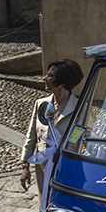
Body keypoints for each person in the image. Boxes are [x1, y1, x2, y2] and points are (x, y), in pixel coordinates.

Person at [20, 59, 84, 193]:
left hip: (66, 168)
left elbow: (78, 134)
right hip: (42, 168)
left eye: (50, 76)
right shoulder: (41, 104)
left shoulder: (79, 108)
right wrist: (25, 165)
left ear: (62, 83)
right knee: (43, 205)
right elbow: (31, 136)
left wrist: (66, 148)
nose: (44, 78)